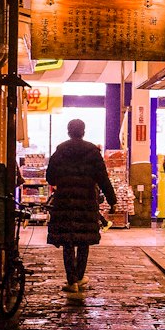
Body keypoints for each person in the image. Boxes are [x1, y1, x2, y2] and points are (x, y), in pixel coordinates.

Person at [45, 118, 116, 297]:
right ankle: (80, 277)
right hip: (86, 202)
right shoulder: (93, 152)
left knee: (68, 242)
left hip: (65, 202)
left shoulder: (60, 151)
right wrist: (112, 200)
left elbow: (50, 178)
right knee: (83, 241)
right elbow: (103, 178)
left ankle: (71, 281)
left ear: (69, 131)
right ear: (83, 131)